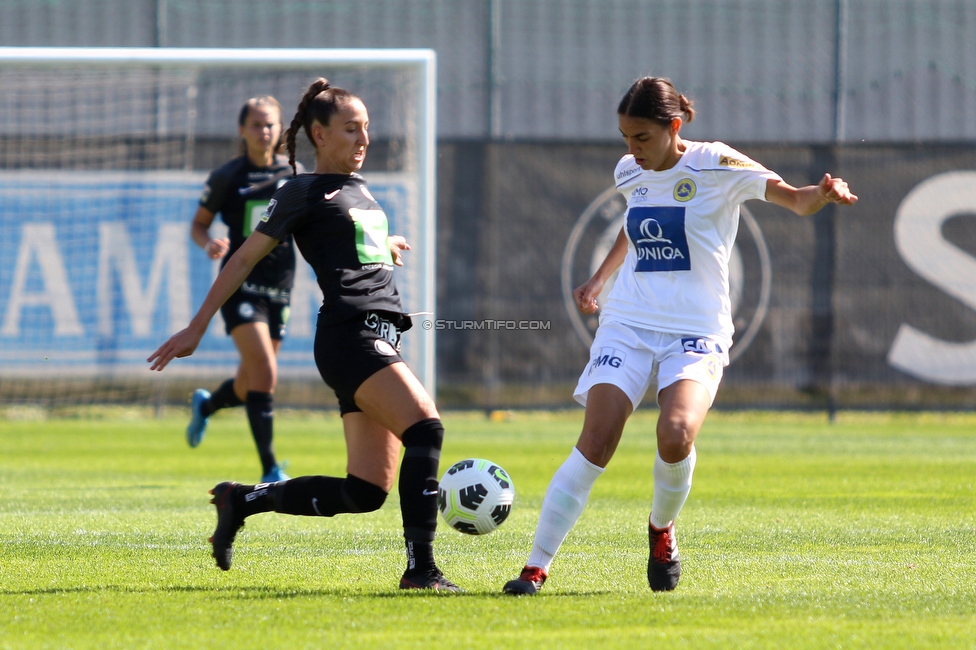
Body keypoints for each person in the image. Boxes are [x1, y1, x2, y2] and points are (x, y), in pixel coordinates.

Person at [502, 76, 858, 595]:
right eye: (625, 137)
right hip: (628, 323)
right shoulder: (630, 170)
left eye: (642, 137)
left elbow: (795, 200)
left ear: (674, 127)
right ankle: (535, 568)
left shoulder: (716, 163)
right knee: (596, 440)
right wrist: (600, 279)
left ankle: (661, 528)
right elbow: (636, 221)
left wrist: (821, 195)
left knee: (675, 435)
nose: (632, 150)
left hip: (695, 329)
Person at [149, 78, 459, 592]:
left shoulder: (360, 189)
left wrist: (387, 242)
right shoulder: (299, 190)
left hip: (380, 332)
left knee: (366, 491)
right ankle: (421, 570)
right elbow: (244, 256)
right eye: (351, 128)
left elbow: (353, 242)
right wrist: (198, 326)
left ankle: (243, 500)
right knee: (426, 429)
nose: (363, 138)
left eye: (367, 128)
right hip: (351, 335)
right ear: (319, 133)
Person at [185, 95, 299, 484]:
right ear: (242, 130)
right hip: (241, 287)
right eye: (256, 124)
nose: (264, 131)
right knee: (265, 372)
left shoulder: (294, 175)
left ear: (280, 129)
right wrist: (209, 243)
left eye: (270, 124)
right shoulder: (227, 176)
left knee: (249, 382)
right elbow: (198, 226)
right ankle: (270, 467)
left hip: (280, 289)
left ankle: (208, 404)